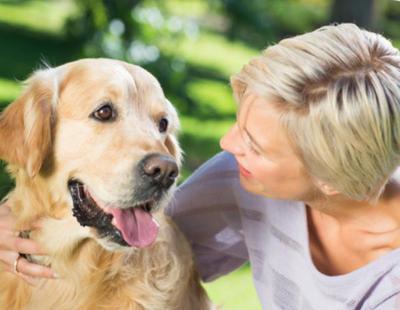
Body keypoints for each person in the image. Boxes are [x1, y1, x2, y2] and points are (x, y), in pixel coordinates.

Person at [1, 23, 400, 308]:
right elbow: (165, 237)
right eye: (239, 125)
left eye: (255, 145)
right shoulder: (242, 177)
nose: (227, 145)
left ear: (329, 179)